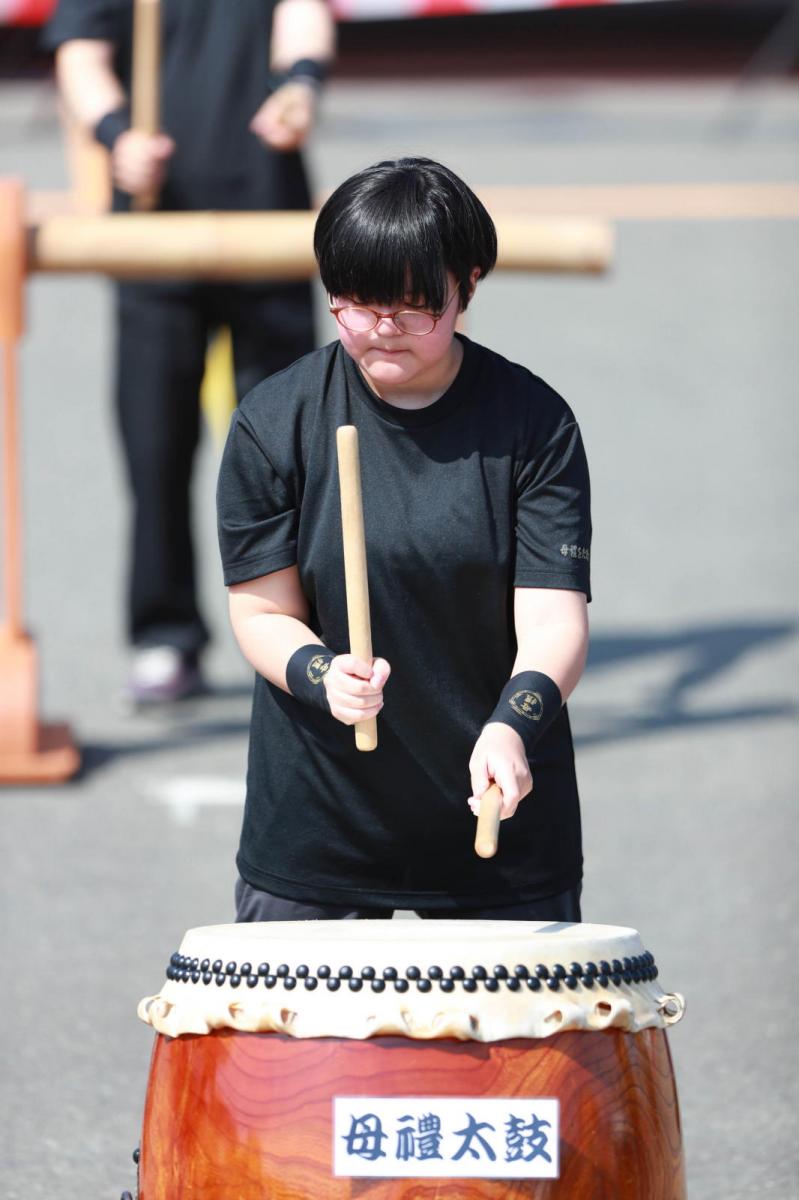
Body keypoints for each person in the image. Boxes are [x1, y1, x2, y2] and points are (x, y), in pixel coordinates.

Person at [217, 157, 592, 922]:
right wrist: (322, 673)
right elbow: (259, 613)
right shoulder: (274, 419)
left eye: (413, 309)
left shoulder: (533, 424)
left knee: (516, 1044)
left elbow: (553, 622)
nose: (381, 330)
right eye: (356, 305)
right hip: (319, 824)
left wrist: (509, 725)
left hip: (495, 801)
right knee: (298, 1045)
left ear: (468, 286)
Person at [44, 0, 335, 703]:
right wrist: (115, 136)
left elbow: (304, 10)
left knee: (289, 451)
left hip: (266, 217)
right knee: (156, 448)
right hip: (154, 230)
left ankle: (303, 635)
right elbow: (79, 53)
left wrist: (299, 84)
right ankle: (165, 635)